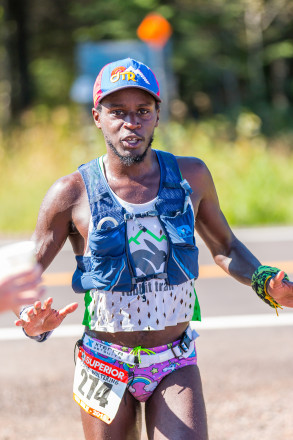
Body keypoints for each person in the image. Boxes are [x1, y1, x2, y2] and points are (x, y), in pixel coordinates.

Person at [14, 58, 293, 440]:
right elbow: (23, 271)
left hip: (174, 360)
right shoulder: (71, 193)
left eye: (142, 111)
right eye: (117, 112)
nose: (131, 122)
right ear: (97, 116)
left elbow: (225, 245)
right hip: (103, 362)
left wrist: (265, 281)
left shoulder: (191, 176)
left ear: (158, 115)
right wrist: (30, 319)